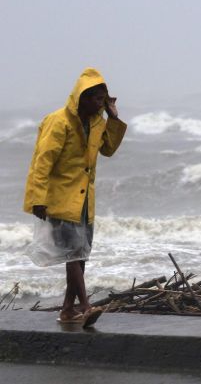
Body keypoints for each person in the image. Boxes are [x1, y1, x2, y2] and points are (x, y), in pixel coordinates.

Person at [23, 67, 127, 324]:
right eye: (94, 99)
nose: (99, 103)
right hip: (58, 198)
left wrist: (113, 118)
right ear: (80, 97)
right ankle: (86, 306)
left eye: (102, 99)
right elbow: (42, 162)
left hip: (83, 201)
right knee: (74, 253)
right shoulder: (58, 122)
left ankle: (68, 310)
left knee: (80, 256)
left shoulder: (97, 123)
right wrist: (38, 198)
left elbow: (109, 150)